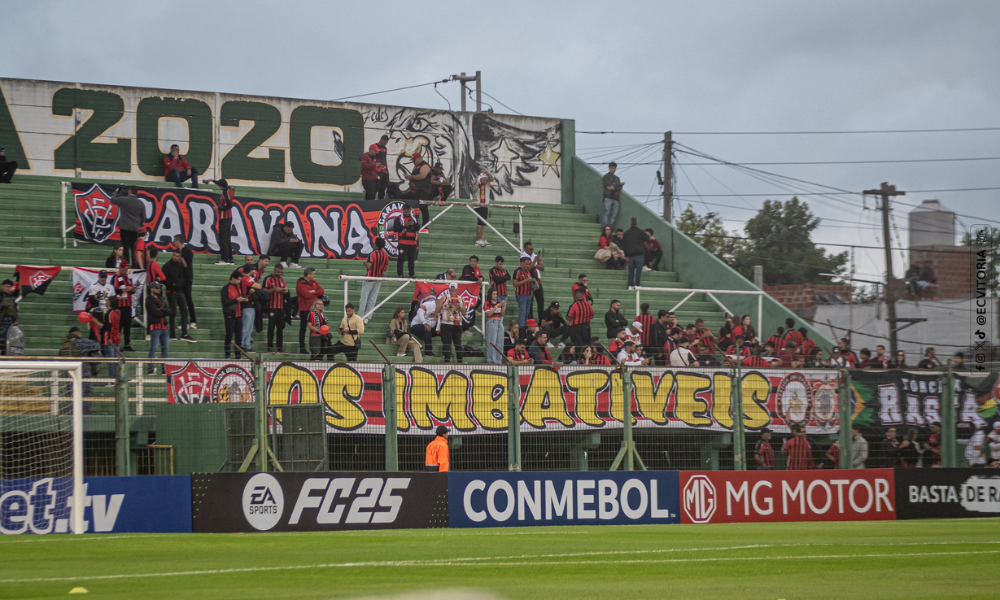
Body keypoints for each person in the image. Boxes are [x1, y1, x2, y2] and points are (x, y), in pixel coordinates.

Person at [162, 251, 195, 343]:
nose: (175, 257)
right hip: (171, 292)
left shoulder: (181, 266)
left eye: (177, 256)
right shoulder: (167, 266)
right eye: (174, 255)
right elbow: (163, 279)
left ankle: (184, 333)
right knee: (173, 313)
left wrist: (185, 265)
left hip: (180, 292)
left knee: (184, 311)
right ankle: (172, 334)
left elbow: (188, 276)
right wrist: (171, 284)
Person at [110, 186, 144, 265]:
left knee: (125, 247)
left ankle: (126, 264)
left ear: (129, 191)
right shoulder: (140, 203)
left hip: (124, 227)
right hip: (135, 228)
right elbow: (143, 217)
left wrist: (116, 192)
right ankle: (134, 265)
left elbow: (113, 200)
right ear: (136, 193)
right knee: (134, 248)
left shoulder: (124, 200)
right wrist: (139, 225)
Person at [359, 238, 390, 324]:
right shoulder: (386, 256)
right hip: (379, 278)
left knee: (364, 298)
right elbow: (385, 268)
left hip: (369, 278)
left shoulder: (372, 254)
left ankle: (360, 316)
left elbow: (369, 265)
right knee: (373, 298)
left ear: (376, 244)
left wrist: (365, 263)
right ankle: (367, 317)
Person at [171, 236, 197, 330]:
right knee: (182, 302)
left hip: (187, 279)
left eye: (174, 241)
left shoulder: (188, 252)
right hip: (180, 280)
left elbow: (188, 266)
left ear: (178, 241)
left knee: (188, 300)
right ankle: (184, 322)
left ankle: (193, 321)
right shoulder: (176, 252)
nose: (173, 242)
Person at [206, 179, 235, 265]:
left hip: (224, 218)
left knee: (223, 239)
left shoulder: (225, 193)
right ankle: (229, 258)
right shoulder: (229, 190)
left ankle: (225, 259)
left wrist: (219, 208)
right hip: (228, 218)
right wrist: (212, 180)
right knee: (227, 238)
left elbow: (229, 205)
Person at [296, 267, 324, 354]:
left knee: (315, 328)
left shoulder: (314, 282)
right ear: (308, 274)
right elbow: (306, 295)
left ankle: (316, 347)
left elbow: (322, 291)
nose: (314, 275)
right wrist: (315, 294)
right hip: (305, 309)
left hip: (313, 310)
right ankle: (302, 347)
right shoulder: (300, 283)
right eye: (313, 274)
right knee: (303, 328)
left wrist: (313, 291)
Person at [145, 282, 171, 373]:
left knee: (165, 348)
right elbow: (154, 313)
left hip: (164, 327)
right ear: (151, 289)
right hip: (155, 327)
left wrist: (160, 310)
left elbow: (170, 311)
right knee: (153, 348)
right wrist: (163, 311)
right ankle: (151, 369)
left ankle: (164, 369)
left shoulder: (161, 299)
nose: (158, 289)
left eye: (159, 288)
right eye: (156, 288)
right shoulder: (148, 300)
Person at [263, 263, 290, 353]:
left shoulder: (282, 280)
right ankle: (270, 346)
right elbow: (263, 292)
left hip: (281, 307)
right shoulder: (268, 279)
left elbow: (285, 291)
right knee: (271, 327)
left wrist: (285, 291)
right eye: (278, 272)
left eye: (281, 272)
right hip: (272, 307)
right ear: (274, 270)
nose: (279, 274)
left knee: (281, 328)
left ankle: (279, 346)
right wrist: (274, 289)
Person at [402, 152, 434, 226]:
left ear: (419, 159)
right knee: (405, 200)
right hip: (415, 190)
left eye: (415, 160)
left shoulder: (424, 166)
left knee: (423, 208)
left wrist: (410, 177)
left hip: (424, 191)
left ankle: (425, 226)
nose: (413, 162)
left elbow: (422, 176)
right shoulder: (416, 166)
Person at [110, 262, 135, 351]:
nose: (126, 271)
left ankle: (127, 344)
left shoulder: (129, 278)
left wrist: (132, 289)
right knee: (118, 326)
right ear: (120, 269)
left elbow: (133, 290)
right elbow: (113, 291)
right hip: (119, 306)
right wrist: (123, 289)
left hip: (128, 305)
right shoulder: (115, 278)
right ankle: (117, 344)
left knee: (127, 326)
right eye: (124, 270)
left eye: (127, 270)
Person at [237, 264, 262, 351]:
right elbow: (259, 286)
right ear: (250, 270)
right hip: (246, 304)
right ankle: (241, 344)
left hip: (250, 304)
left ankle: (246, 344)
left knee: (250, 326)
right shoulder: (245, 278)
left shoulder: (246, 278)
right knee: (246, 325)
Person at [222, 270, 246, 359]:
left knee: (238, 337)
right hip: (230, 316)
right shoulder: (226, 288)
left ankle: (238, 355)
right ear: (233, 278)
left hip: (239, 315)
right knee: (229, 335)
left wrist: (243, 300)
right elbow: (224, 302)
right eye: (238, 280)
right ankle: (227, 355)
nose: (239, 282)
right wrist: (236, 300)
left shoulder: (238, 287)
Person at [439, 285, 465, 363]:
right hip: (458, 324)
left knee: (447, 343)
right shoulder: (461, 299)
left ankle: (447, 361)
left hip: (446, 323)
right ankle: (460, 361)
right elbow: (464, 312)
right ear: (457, 289)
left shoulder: (444, 298)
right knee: (458, 344)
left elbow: (437, 309)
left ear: (449, 289)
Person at [620, 218, 649, 290]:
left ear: (630, 223)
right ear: (637, 223)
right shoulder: (640, 232)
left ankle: (630, 285)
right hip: (639, 253)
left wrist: (626, 254)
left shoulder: (626, 233)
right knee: (638, 270)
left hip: (630, 255)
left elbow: (624, 244)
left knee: (631, 270)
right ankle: (637, 284)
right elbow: (647, 239)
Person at [520, 242, 546, 319]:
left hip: (537, 281)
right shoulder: (523, 257)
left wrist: (534, 264)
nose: (532, 250)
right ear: (525, 248)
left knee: (541, 301)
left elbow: (542, 267)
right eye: (530, 249)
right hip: (528, 281)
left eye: (532, 248)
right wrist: (535, 261)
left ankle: (541, 320)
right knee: (530, 302)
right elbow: (527, 268)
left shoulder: (535, 256)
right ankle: (530, 320)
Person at [410, 292, 440, 356]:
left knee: (444, 331)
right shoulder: (428, 304)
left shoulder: (442, 307)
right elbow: (420, 312)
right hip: (416, 325)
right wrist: (425, 323)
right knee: (427, 330)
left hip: (431, 327)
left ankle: (447, 351)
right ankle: (428, 351)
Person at [512, 256, 537, 328]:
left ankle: (525, 327)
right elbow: (514, 284)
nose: (528, 266)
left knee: (527, 313)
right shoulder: (517, 271)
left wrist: (532, 280)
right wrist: (526, 280)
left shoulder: (528, 272)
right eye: (526, 264)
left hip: (528, 294)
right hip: (521, 294)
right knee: (522, 312)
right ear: (521, 263)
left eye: (529, 264)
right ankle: (521, 328)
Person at [483, 288, 506, 364]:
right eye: (493, 294)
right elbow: (488, 314)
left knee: (500, 343)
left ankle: (498, 360)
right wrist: (496, 306)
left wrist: (503, 306)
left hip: (499, 321)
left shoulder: (498, 302)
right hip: (492, 322)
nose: (495, 296)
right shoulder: (487, 303)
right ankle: (491, 360)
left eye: (496, 294)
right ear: (490, 295)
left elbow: (502, 314)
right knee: (492, 342)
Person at [474, 168, 495, 247]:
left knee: (483, 223)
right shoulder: (480, 178)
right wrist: (488, 173)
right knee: (480, 223)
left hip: (484, 203)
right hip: (480, 203)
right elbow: (491, 178)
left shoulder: (483, 178)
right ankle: (478, 239)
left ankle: (482, 239)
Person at [396, 209, 419, 278]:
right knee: (401, 258)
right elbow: (395, 228)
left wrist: (414, 224)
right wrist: (404, 225)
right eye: (405, 211)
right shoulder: (399, 218)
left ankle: (411, 274)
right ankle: (400, 274)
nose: (407, 213)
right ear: (403, 211)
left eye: (408, 211)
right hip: (402, 242)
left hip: (412, 243)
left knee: (411, 259)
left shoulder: (413, 219)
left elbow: (418, 228)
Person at [601, 162, 623, 227]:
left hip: (616, 198)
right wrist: (617, 185)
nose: (613, 169)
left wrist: (614, 186)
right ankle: (604, 227)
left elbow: (619, 188)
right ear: (609, 168)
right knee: (607, 212)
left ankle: (610, 227)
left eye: (614, 168)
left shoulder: (617, 178)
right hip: (608, 197)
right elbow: (609, 187)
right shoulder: (606, 177)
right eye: (611, 168)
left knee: (613, 214)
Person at [374, 135, 390, 199]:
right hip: (378, 170)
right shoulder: (375, 147)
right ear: (382, 139)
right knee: (376, 186)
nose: (385, 144)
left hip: (385, 170)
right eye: (385, 142)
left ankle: (381, 201)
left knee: (383, 187)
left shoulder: (385, 148)